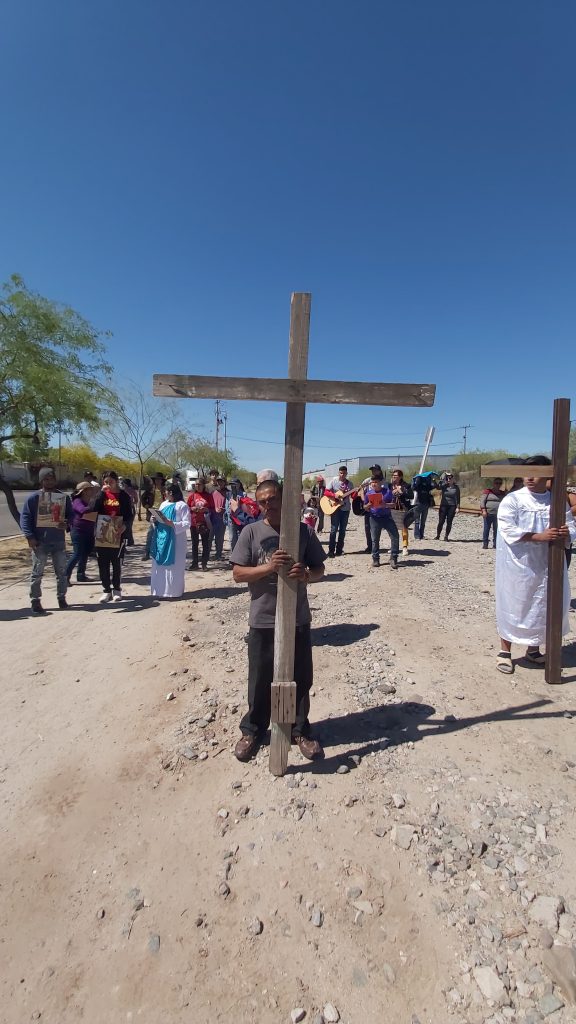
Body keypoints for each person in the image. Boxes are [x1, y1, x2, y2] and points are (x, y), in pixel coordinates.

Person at [230, 478, 326, 762]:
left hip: (296, 618)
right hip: (263, 618)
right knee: (260, 679)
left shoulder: (302, 532)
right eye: (262, 501)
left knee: (300, 677)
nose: (268, 505)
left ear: (283, 499)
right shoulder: (250, 532)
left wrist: (307, 575)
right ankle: (253, 730)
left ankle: (299, 730)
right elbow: (238, 574)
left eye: (273, 499)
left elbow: (320, 568)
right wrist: (269, 567)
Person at [495, 456, 576, 674]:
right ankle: (505, 651)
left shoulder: (556, 501)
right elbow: (507, 529)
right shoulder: (513, 500)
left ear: (548, 474)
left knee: (543, 605)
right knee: (515, 604)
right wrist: (539, 537)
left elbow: (570, 524)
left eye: (535, 472)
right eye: (526, 473)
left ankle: (533, 649)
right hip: (519, 565)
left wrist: (567, 532)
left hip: (548, 564)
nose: (529, 477)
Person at [20, 467, 73, 614]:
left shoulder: (63, 498)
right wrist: (30, 536)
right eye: (46, 479)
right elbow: (25, 518)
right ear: (41, 481)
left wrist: (67, 523)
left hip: (58, 541)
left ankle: (61, 597)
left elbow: (72, 516)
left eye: (52, 478)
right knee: (37, 572)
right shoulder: (34, 498)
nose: (49, 482)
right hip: (39, 541)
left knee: (61, 572)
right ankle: (35, 600)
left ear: (56, 480)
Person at [92, 470, 134, 603]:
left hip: (117, 532)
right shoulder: (101, 495)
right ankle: (106, 590)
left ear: (116, 481)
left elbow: (129, 515)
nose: (108, 484)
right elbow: (92, 509)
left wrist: (125, 527)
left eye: (111, 481)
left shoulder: (124, 496)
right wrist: (101, 493)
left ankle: (116, 589)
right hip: (102, 532)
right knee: (102, 563)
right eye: (106, 482)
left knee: (116, 563)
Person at [150, 483, 191, 598]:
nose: (164, 493)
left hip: (176, 540)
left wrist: (171, 523)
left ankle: (174, 592)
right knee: (160, 565)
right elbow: (158, 519)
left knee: (175, 566)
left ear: (171, 492)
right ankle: (159, 591)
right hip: (162, 538)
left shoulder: (182, 505)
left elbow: (187, 523)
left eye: (166, 491)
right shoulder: (163, 504)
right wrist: (154, 519)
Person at [363, 475, 400, 569]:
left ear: (381, 483)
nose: (373, 484)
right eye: (372, 482)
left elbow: (393, 504)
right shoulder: (368, 494)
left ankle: (393, 558)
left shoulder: (387, 492)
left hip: (387, 517)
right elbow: (365, 507)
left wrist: (385, 504)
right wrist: (368, 505)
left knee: (395, 536)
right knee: (375, 539)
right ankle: (375, 559)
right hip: (374, 518)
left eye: (375, 482)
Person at [66, 480, 98, 583]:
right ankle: (64, 577)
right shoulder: (77, 501)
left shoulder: (89, 500)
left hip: (88, 531)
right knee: (77, 554)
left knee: (85, 553)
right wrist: (94, 506)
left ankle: (81, 575)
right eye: (90, 489)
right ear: (84, 491)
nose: (92, 491)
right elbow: (83, 510)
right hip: (78, 531)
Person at [187, 477, 214, 571]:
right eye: (196, 484)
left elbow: (212, 509)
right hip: (194, 523)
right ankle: (195, 563)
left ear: (203, 485)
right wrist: (192, 509)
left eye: (199, 484)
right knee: (195, 544)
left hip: (204, 523)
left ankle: (204, 564)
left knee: (205, 544)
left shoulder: (208, 496)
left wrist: (206, 509)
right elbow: (187, 508)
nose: (197, 486)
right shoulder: (192, 496)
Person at [326, 465, 354, 557]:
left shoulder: (350, 484)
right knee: (333, 530)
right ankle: (331, 551)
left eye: (344, 473)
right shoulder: (334, 481)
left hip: (345, 509)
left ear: (346, 474)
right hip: (335, 509)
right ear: (339, 473)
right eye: (341, 473)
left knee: (342, 530)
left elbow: (353, 496)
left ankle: (339, 550)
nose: (342, 475)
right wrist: (334, 495)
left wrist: (357, 492)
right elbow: (326, 492)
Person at [358, 464, 385, 553]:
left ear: (379, 471)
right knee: (367, 527)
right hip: (369, 507)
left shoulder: (384, 481)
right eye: (372, 470)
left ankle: (375, 546)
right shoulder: (367, 480)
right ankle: (370, 546)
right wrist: (363, 499)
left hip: (380, 508)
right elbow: (360, 489)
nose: (373, 472)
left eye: (375, 470)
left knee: (377, 528)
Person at [390, 469, 413, 555]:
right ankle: (394, 546)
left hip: (403, 508)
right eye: (393, 476)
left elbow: (411, 496)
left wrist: (401, 492)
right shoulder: (390, 485)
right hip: (392, 508)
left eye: (396, 476)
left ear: (400, 477)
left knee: (404, 527)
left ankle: (404, 546)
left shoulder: (406, 485)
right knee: (392, 528)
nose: (394, 478)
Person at [143, 473, 166, 559]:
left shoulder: (164, 490)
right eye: (156, 479)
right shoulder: (150, 490)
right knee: (150, 533)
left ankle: (160, 552)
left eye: (159, 479)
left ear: (162, 481)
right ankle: (147, 552)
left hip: (163, 512)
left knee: (162, 533)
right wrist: (146, 505)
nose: (157, 481)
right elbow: (143, 498)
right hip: (153, 511)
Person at [480, 477, 507, 549]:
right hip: (488, 513)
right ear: (493, 483)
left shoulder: (502, 493)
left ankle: (495, 544)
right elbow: (482, 501)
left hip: (498, 515)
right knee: (486, 529)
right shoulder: (487, 491)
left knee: (497, 530)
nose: (498, 484)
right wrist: (484, 510)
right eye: (496, 483)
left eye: (499, 483)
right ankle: (485, 544)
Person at [412, 472, 438, 541]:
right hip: (418, 504)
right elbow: (413, 487)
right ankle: (417, 535)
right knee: (417, 521)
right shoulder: (418, 485)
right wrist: (416, 480)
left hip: (425, 504)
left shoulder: (428, 485)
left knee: (423, 521)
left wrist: (433, 480)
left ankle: (421, 535)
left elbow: (435, 486)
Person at [436, 472, 461, 541]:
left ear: (453, 479)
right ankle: (438, 535)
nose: (449, 479)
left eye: (450, 478)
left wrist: (458, 507)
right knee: (441, 521)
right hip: (443, 505)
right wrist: (441, 480)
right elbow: (437, 487)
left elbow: (458, 498)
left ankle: (446, 536)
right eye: (447, 478)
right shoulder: (444, 486)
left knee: (449, 522)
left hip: (452, 506)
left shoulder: (456, 487)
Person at [210, 476, 229, 560]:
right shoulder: (213, 492)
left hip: (222, 518)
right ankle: (207, 555)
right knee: (209, 537)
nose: (220, 483)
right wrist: (214, 509)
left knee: (220, 538)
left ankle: (218, 554)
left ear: (225, 482)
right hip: (212, 518)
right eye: (218, 481)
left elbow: (230, 505)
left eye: (221, 481)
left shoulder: (228, 493)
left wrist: (224, 510)